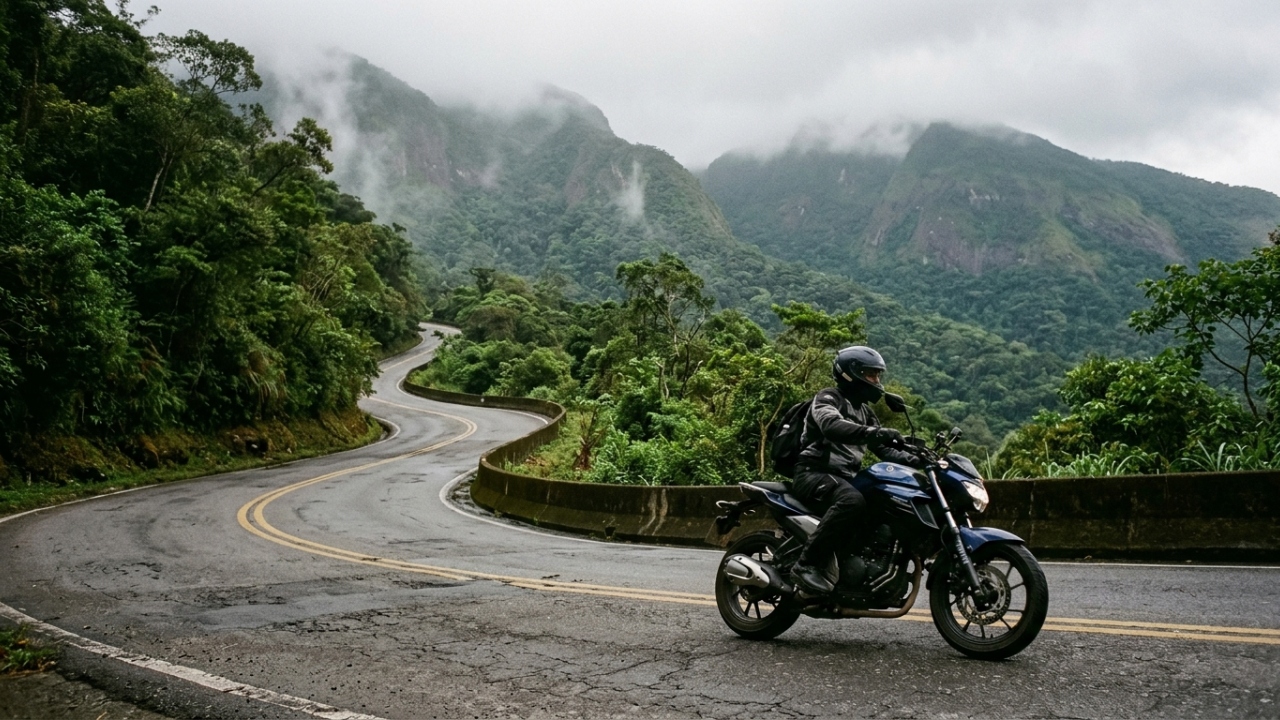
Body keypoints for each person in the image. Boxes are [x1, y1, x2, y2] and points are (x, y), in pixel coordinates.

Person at [789, 345, 921, 595]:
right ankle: (805, 565)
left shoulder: (866, 412)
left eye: (878, 375)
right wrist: (875, 432)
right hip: (813, 473)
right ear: (851, 374)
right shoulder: (828, 398)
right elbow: (831, 425)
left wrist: (921, 460)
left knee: (880, 502)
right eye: (871, 374)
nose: (876, 381)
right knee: (852, 501)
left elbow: (885, 450)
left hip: (844, 478)